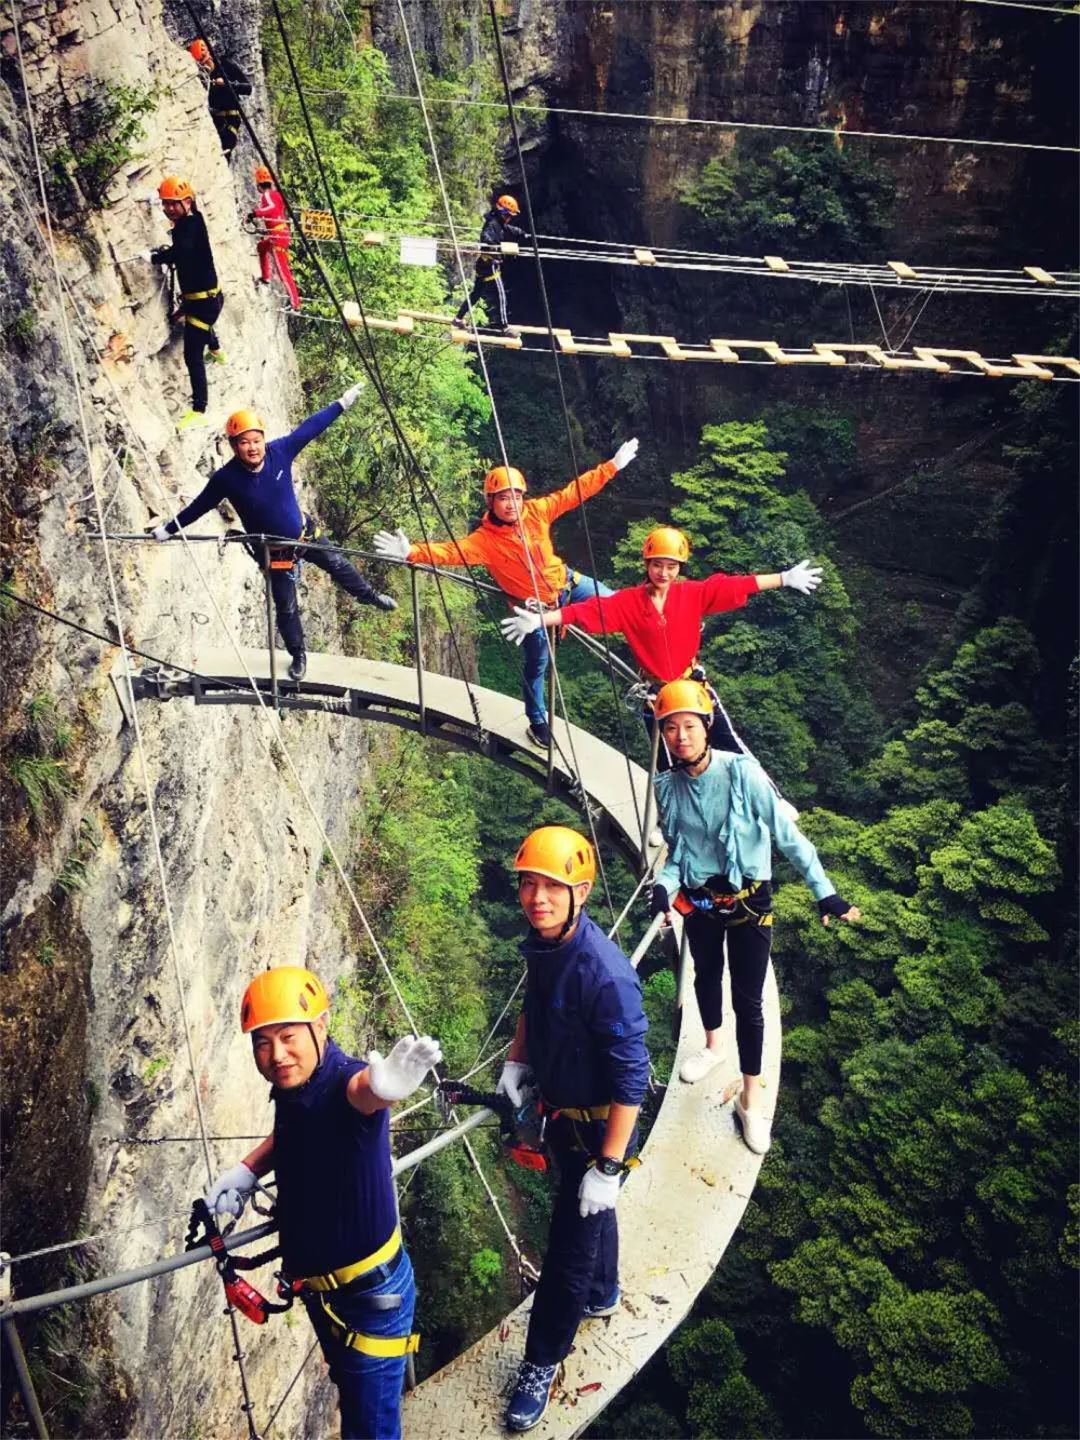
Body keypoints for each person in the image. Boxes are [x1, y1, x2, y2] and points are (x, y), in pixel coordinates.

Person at [203, 967, 442, 1440]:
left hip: (369, 1300)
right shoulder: (298, 1086)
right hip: (329, 1295)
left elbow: (362, 1095)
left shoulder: (346, 1081)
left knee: (370, 1429)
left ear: (321, 1026)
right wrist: (249, 1168)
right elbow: (295, 1128)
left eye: (289, 1036)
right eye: (263, 1043)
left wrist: (385, 1088)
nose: (277, 1055)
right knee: (356, 1401)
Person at [648, 680, 861, 1153]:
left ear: (706, 728)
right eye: (670, 729)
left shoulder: (743, 772)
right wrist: (662, 890)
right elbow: (679, 857)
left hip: (749, 901)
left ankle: (750, 1100)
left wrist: (824, 893)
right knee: (705, 977)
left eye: (688, 726)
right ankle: (712, 1047)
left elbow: (788, 837)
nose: (680, 736)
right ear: (663, 736)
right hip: (701, 900)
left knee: (749, 1002)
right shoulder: (667, 788)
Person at [497, 826, 649, 1432]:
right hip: (565, 1119)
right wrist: (516, 1060)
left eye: (553, 887)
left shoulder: (604, 975)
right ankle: (604, 1291)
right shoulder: (545, 946)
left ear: (580, 892)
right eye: (529, 884)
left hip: (602, 1131)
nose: (538, 897)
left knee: (564, 1254)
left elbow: (632, 1081)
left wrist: (609, 1168)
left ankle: (540, 1364)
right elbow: (534, 1009)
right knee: (587, 1222)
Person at [372, 440, 639, 748]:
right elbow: (450, 551)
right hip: (531, 611)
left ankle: (657, 631)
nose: (511, 503)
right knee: (536, 664)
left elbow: (573, 493)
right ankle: (537, 721)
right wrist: (412, 552)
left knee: (617, 603)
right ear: (491, 502)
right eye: (503, 497)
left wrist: (612, 466)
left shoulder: (537, 512)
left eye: (516, 495)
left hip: (566, 584)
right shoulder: (484, 541)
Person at [501, 525, 823, 773]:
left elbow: (735, 585)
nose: (664, 573)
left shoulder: (692, 595)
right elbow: (585, 612)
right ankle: (669, 825)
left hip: (691, 684)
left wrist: (783, 578)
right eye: (658, 565)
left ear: (679, 568)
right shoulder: (628, 603)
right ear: (647, 564)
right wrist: (543, 620)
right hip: (655, 694)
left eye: (671, 567)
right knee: (667, 767)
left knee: (728, 743)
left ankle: (769, 800)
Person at [149, 388, 396, 680]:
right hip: (275, 554)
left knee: (340, 565)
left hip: (305, 535)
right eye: (244, 443)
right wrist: (168, 529)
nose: (252, 447)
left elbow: (310, 428)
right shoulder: (226, 479)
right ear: (234, 446)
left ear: (263, 440)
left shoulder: (280, 451)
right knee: (286, 608)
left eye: (256, 440)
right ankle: (298, 655)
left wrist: (341, 403)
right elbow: (199, 507)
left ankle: (369, 596)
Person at [147, 176, 225, 433]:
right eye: (165, 204)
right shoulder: (194, 219)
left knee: (192, 356)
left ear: (188, 202)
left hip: (203, 304)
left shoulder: (186, 227)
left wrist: (155, 257)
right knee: (199, 328)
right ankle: (215, 349)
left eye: (174, 204)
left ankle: (199, 409)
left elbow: (181, 252)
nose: (169, 209)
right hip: (205, 300)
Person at [454, 194, 528, 333]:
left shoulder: (497, 222)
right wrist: (496, 248)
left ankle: (458, 319)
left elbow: (506, 229)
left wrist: (520, 233)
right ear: (503, 213)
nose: (509, 219)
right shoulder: (492, 225)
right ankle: (505, 327)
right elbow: (486, 238)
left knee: (475, 294)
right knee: (501, 295)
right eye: (509, 216)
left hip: (483, 264)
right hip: (490, 265)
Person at [189, 38, 252, 163]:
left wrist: (228, 84)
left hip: (230, 120)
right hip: (213, 121)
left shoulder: (226, 67)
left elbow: (247, 88)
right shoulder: (202, 77)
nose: (206, 67)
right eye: (202, 63)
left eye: (207, 61)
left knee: (223, 151)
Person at [250, 164, 301, 311]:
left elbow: (271, 209)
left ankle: (295, 304)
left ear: (259, 184)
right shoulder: (277, 194)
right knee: (262, 247)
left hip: (278, 235)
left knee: (283, 270)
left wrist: (255, 213)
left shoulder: (266, 195)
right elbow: (278, 211)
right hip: (280, 233)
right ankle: (265, 278)